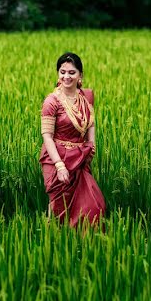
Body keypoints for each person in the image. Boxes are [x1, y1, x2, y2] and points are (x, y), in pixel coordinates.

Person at [39, 52, 106, 226]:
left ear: (80, 75)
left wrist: (91, 146)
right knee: (60, 209)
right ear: (58, 74)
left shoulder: (85, 97)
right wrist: (59, 165)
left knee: (93, 206)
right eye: (62, 72)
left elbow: (91, 123)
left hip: (80, 158)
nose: (66, 76)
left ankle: (86, 246)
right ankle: (56, 243)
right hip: (56, 158)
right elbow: (47, 136)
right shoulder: (52, 101)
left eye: (71, 72)